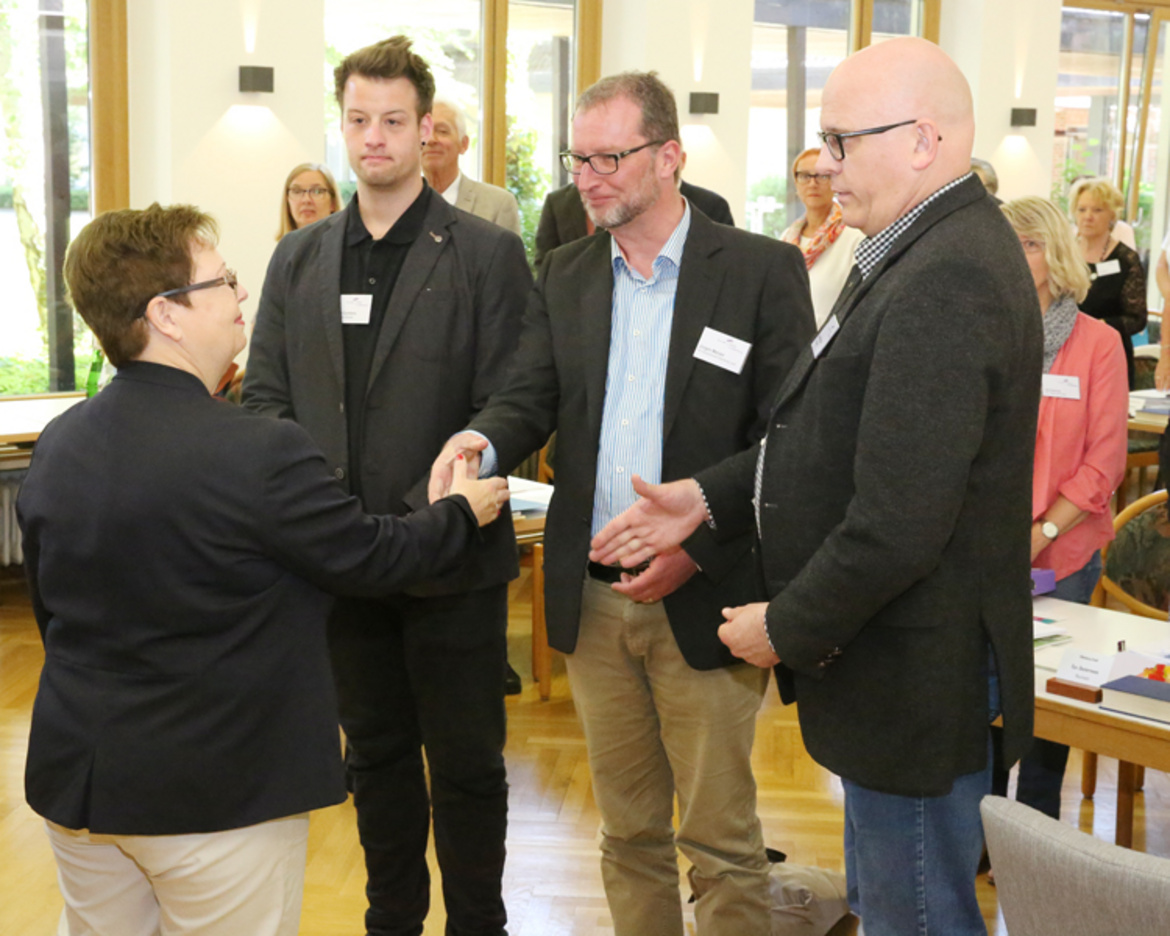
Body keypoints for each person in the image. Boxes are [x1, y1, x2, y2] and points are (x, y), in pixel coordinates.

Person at [589, 38, 1042, 936]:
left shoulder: (946, 274)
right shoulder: (915, 251)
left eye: (841, 141)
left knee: (911, 915)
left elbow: (898, 522)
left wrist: (782, 625)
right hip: (898, 674)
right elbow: (828, 441)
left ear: (921, 140)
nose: (825, 168)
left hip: (917, 681)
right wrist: (711, 499)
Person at [16, 203, 508, 936]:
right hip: (217, 795)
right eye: (223, 281)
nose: (243, 295)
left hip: (83, 783)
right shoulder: (257, 452)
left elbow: (53, 614)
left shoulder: (60, 444)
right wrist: (462, 512)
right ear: (168, 315)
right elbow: (373, 556)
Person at [429, 71, 814, 936]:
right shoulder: (564, 274)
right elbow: (528, 395)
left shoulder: (758, 271)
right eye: (580, 159)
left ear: (669, 156)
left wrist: (698, 538)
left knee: (720, 841)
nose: (591, 177)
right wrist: (479, 442)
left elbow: (794, 442)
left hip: (706, 596)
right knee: (628, 833)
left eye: (611, 156)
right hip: (597, 598)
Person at [242, 36, 531, 936]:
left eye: (393, 121)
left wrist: (473, 453)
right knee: (374, 760)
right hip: (339, 566)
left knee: (470, 766)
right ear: (343, 125)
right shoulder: (298, 260)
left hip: (451, 558)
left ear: (425, 128)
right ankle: (391, 920)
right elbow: (264, 398)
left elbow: (522, 390)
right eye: (359, 120)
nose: (375, 138)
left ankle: (479, 922)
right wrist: (314, 511)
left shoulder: (484, 252)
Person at [992, 196, 1128, 821]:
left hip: (1065, 554)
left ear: (1057, 252)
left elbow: (1105, 464)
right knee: (987, 697)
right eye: (1007, 244)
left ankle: (1038, 830)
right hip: (986, 551)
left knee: (1048, 703)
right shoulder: (987, 334)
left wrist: (1042, 532)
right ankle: (988, 828)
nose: (1017, 257)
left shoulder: (1097, 344)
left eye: (1030, 244)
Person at [533, 166, 735, 269]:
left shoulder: (711, 205)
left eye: (608, 158)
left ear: (670, 160)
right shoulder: (558, 203)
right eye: (578, 158)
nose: (586, 182)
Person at [1071, 177, 1146, 389]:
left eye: (1097, 210)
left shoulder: (1125, 259)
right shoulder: (1063, 255)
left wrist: (1101, 327)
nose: (1088, 217)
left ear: (1112, 215)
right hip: (1066, 353)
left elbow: (1137, 318)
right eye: (1082, 209)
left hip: (1109, 356)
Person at [780, 147, 864, 326]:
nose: (812, 183)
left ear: (836, 181)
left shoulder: (855, 237)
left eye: (822, 176)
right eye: (804, 176)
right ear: (795, 182)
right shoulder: (787, 238)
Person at [422, 94, 522, 236]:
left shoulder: (498, 205)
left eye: (442, 131)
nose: (431, 140)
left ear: (464, 144)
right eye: (424, 131)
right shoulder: (398, 204)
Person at [277, 162, 342, 239]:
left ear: (333, 202)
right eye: (297, 191)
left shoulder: (344, 248)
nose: (306, 200)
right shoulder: (283, 249)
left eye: (317, 191)